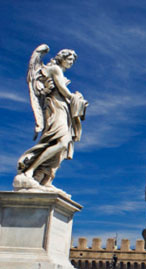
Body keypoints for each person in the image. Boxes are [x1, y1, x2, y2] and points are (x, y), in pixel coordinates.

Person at [15, 45, 88, 193]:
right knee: (60, 141)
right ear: (62, 57)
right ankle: (29, 171)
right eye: (69, 59)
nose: (71, 63)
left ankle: (46, 178)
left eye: (73, 61)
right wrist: (76, 98)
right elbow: (62, 90)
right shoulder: (55, 69)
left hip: (63, 108)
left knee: (63, 145)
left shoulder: (58, 71)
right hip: (55, 108)